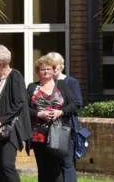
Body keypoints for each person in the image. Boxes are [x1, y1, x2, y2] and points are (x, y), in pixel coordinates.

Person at [27, 55, 77, 182]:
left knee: (56, 169)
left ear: (54, 70)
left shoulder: (61, 85)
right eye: (43, 69)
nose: (46, 71)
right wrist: (39, 114)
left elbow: (73, 104)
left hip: (58, 133)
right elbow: (24, 109)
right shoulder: (32, 87)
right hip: (38, 135)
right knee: (43, 168)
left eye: (49, 69)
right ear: (38, 72)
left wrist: (60, 112)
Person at [0, 45, 31, 182]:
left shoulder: (14, 76)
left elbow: (19, 102)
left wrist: (1, 120)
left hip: (9, 130)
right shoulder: (1, 79)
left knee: (7, 165)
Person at [47, 52, 82, 182]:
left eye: (56, 67)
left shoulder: (70, 82)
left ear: (62, 66)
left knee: (67, 163)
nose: (54, 70)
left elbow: (78, 103)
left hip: (67, 127)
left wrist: (61, 111)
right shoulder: (47, 83)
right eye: (51, 67)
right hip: (50, 127)